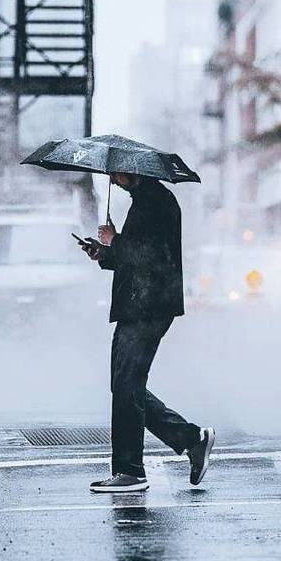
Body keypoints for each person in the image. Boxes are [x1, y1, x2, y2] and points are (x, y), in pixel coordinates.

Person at [78, 171, 214, 493]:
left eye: (115, 174)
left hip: (148, 308)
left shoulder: (156, 202)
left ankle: (130, 471)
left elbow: (152, 259)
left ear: (132, 171)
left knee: (127, 386)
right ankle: (192, 440)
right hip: (137, 306)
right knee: (125, 386)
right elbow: (135, 257)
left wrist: (115, 241)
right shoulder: (144, 201)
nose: (111, 179)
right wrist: (104, 253)